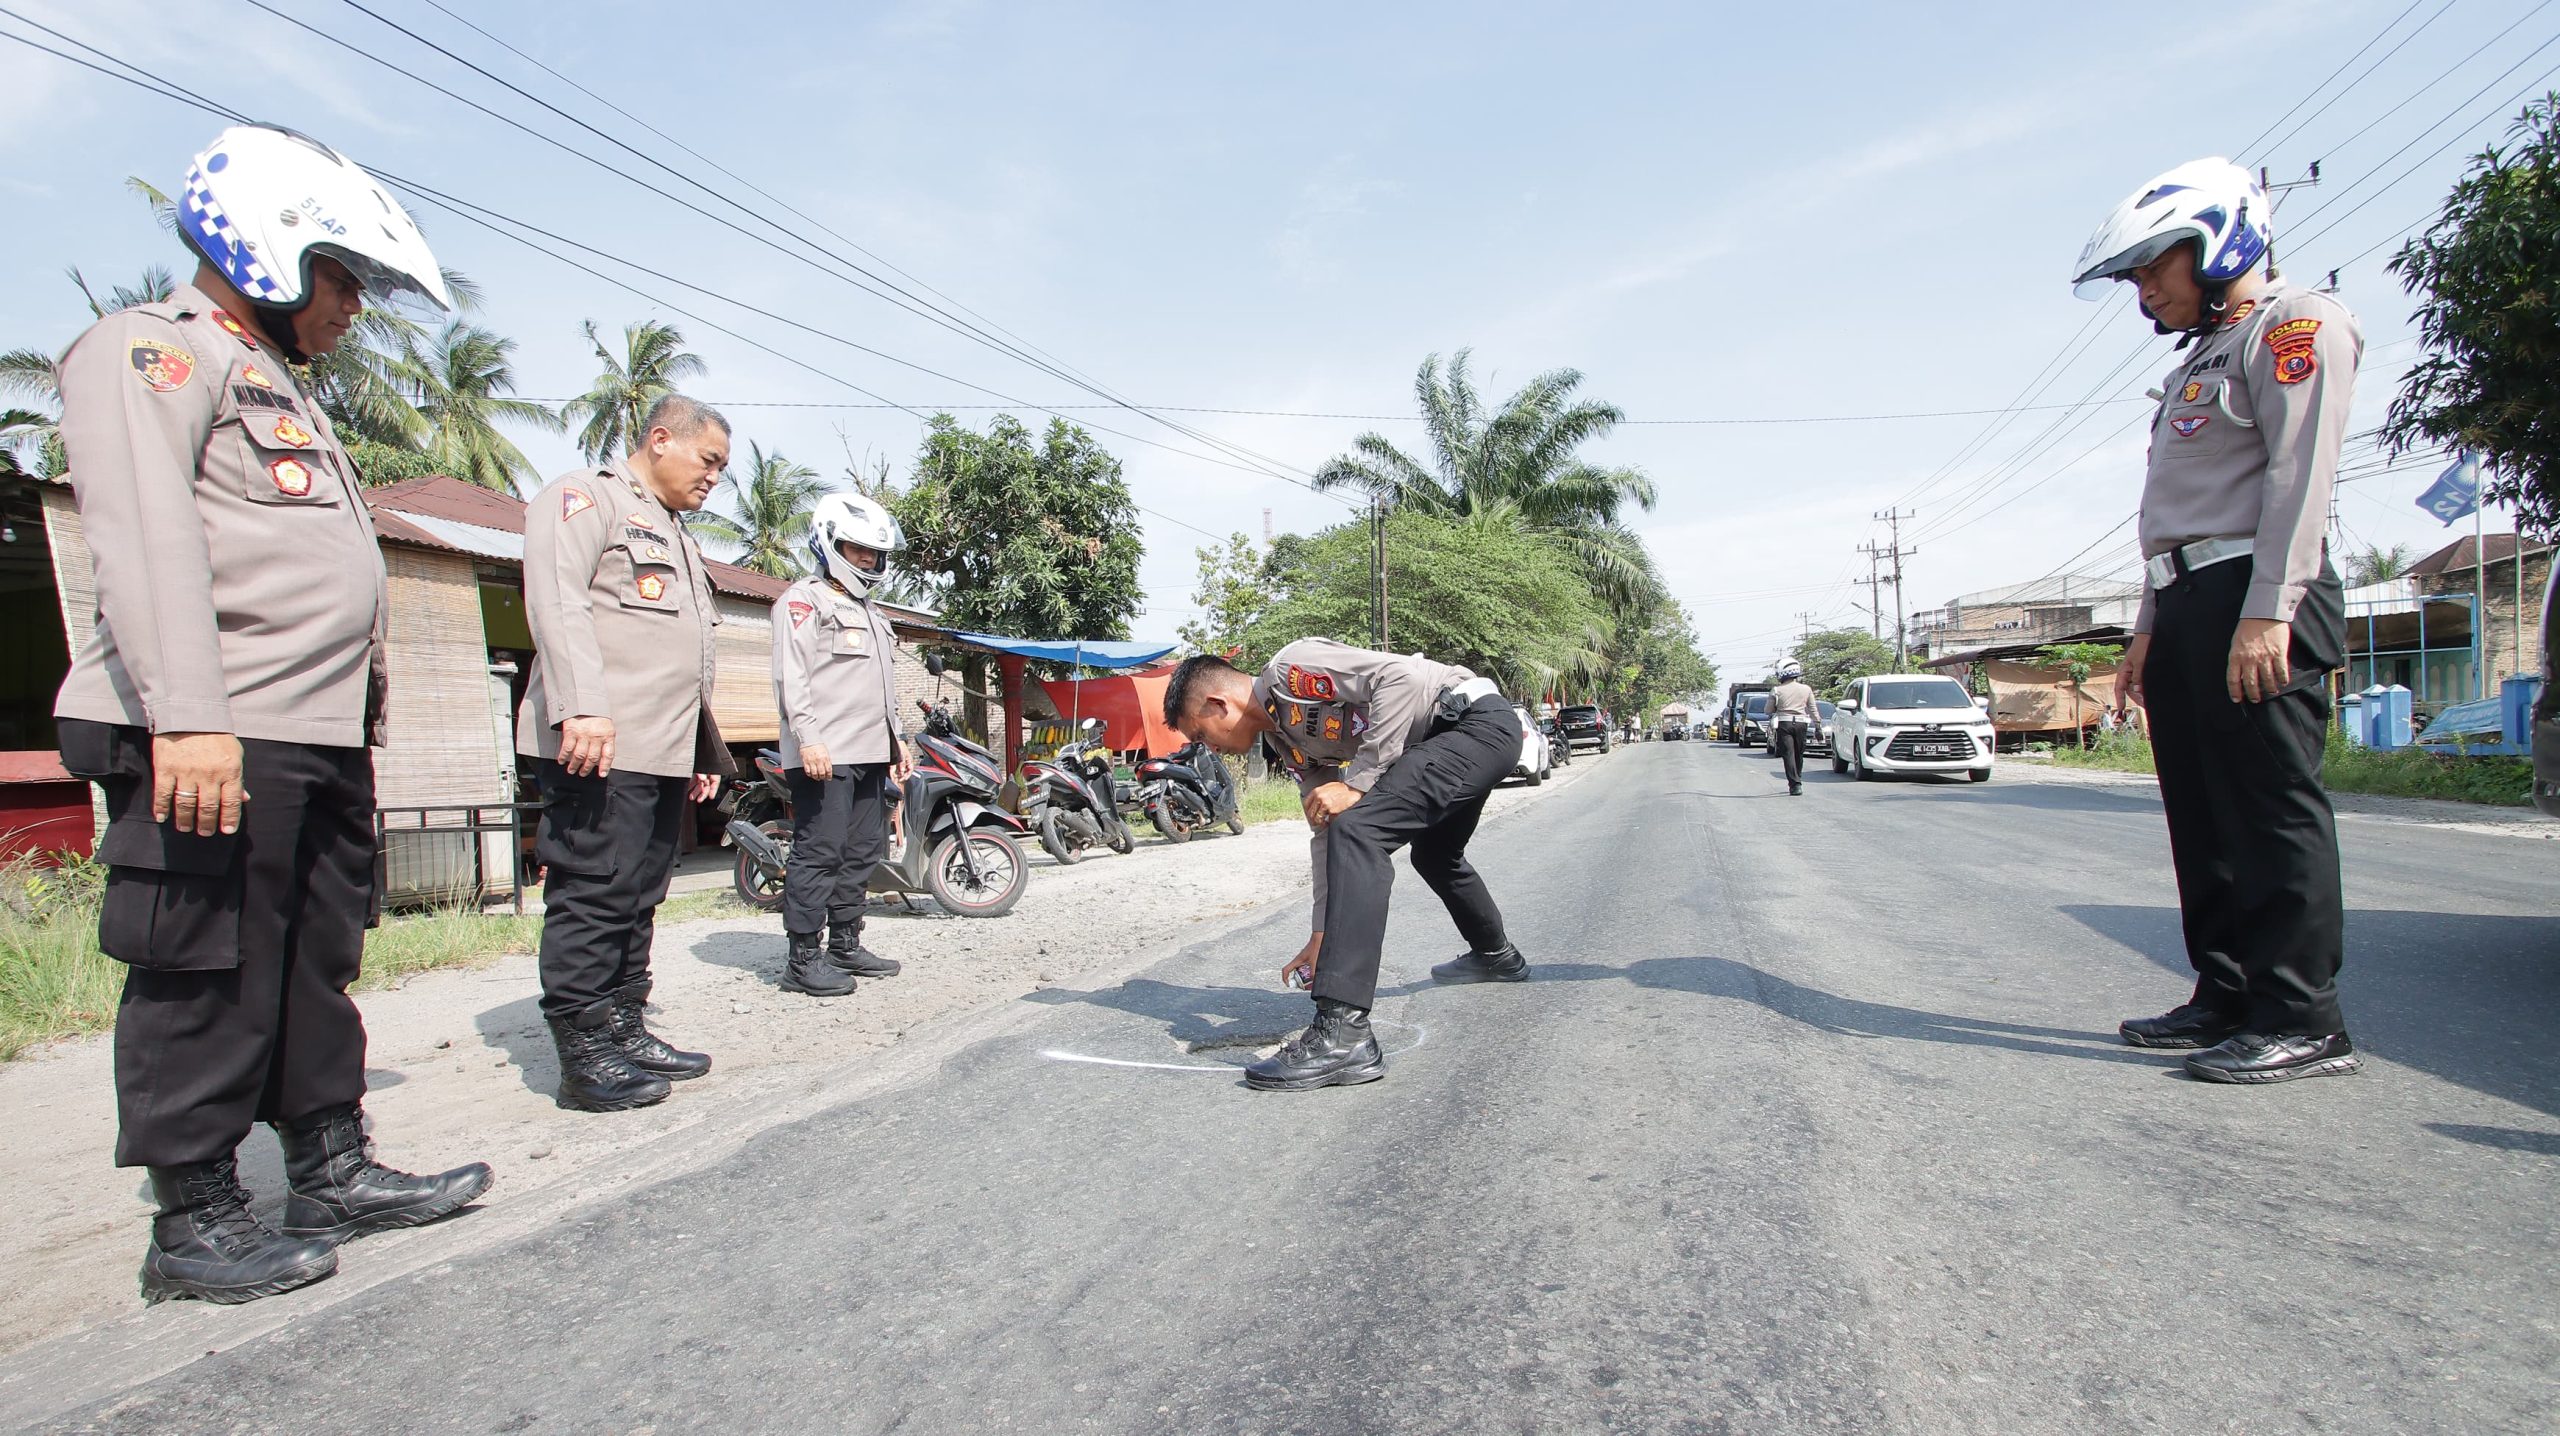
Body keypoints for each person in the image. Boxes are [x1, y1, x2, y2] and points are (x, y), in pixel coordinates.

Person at [52, 124, 492, 1305]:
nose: (354, 304)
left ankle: (329, 1165)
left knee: (310, 958)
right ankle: (194, 1216)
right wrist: (188, 716)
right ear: (272, 246)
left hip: (310, 728)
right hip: (217, 721)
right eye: (341, 274)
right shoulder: (155, 351)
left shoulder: (276, 380)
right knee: (204, 964)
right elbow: (146, 538)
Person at [2072, 157, 2362, 1083]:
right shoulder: (2203, 356)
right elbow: (2173, 515)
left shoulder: (2296, 325)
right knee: (2202, 816)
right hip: (2188, 601)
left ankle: (2303, 1017)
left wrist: (2269, 611)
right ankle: (2227, 993)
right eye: (2135, 277)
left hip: (2257, 594)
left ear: (2218, 243)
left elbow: (2299, 480)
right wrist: (2147, 628)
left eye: (2154, 268)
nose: (2145, 292)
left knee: (2270, 811)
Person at [1163, 640, 1528, 1092]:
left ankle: (1344, 1037)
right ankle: (1496, 955)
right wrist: (1322, 934)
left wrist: (1360, 781)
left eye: (1200, 735)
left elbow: (1400, 677)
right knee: (1433, 854)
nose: (1210, 749)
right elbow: (1326, 830)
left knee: (1360, 831)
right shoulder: (1287, 741)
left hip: (1472, 724)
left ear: (1218, 704)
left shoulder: (1289, 672)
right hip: (1454, 743)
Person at [520, 395, 735, 1111]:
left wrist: (700, 748)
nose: (714, 478)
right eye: (709, 461)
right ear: (661, 439)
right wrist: (580, 705)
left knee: (639, 896)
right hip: (599, 743)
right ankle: (584, 1054)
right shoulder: (587, 499)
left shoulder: (676, 533)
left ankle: (623, 1026)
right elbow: (558, 602)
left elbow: (681, 653)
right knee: (595, 894)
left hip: (660, 748)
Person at [768, 493, 911, 997]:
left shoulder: (871, 612)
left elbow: (882, 687)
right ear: (830, 545)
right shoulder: (804, 601)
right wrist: (808, 740)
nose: (868, 560)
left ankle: (845, 943)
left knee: (862, 850)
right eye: (857, 550)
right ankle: (803, 957)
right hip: (825, 753)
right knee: (820, 852)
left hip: (871, 751)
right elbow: (792, 678)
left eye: (875, 553)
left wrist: (897, 742)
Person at [1769, 665, 1819, 795]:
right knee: (1798, 753)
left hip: (1784, 723)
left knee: (1788, 754)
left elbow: (1768, 710)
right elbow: (1813, 709)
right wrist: (1818, 725)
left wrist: (1776, 707)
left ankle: (1795, 784)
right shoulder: (1806, 689)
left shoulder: (1776, 690)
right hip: (1801, 724)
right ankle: (1798, 778)